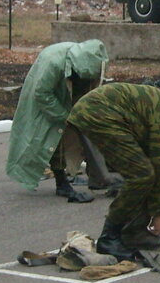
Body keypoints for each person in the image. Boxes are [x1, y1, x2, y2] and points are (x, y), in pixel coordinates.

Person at [67, 83, 160, 259]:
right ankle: (109, 238)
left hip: (104, 110)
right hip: (99, 112)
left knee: (147, 171)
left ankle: (136, 231)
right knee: (141, 175)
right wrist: (158, 215)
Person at [6, 39, 110, 203]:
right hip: (46, 93)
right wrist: (64, 116)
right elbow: (42, 93)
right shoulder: (53, 64)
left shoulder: (96, 60)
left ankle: (98, 177)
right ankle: (61, 182)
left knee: (86, 129)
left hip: (68, 87)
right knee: (52, 136)